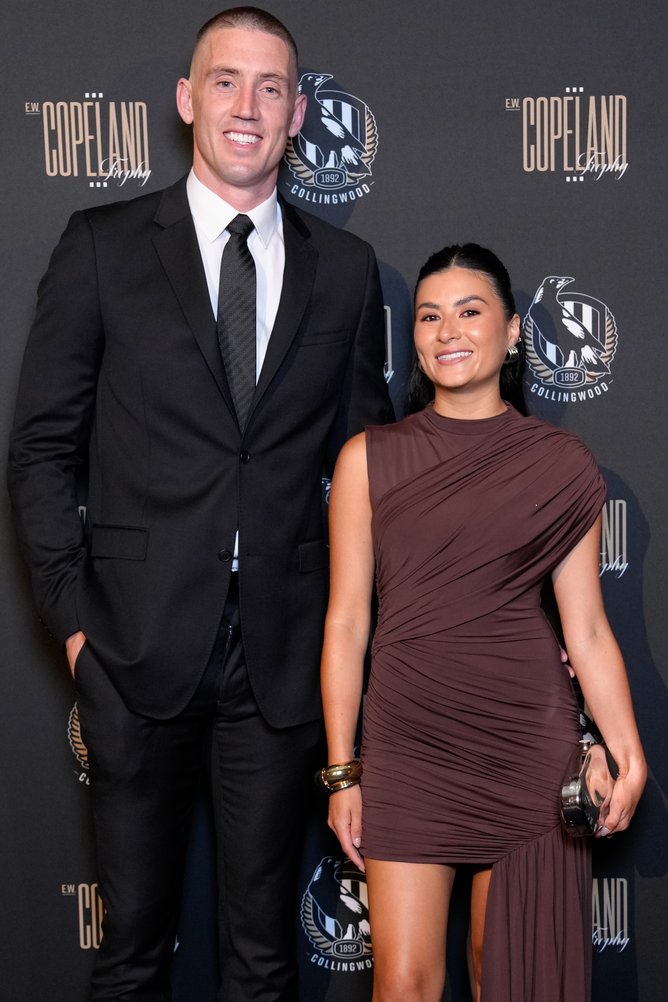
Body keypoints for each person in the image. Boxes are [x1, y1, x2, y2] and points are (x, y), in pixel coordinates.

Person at [7, 7, 393, 1000]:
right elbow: (42, 447)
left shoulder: (344, 272)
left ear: (298, 113)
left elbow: (365, 468)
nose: (246, 106)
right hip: (133, 651)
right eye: (225, 81)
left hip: (278, 663)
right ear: (186, 100)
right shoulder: (100, 246)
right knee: (131, 955)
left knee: (261, 960)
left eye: (270, 87)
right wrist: (76, 626)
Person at [320, 243, 646, 1002]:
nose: (447, 331)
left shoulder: (561, 463)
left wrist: (625, 750)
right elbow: (344, 626)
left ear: (511, 335)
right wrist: (343, 771)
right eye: (430, 317)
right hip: (408, 744)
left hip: (526, 744)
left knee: (511, 976)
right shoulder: (370, 458)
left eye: (470, 312)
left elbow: (587, 628)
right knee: (402, 984)